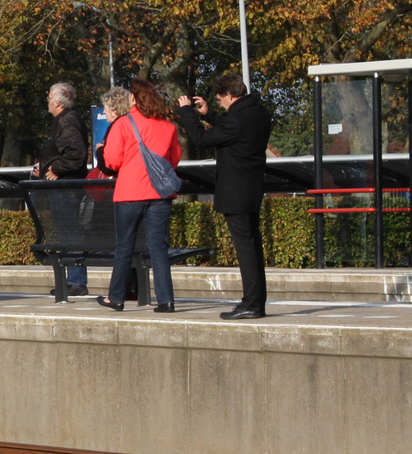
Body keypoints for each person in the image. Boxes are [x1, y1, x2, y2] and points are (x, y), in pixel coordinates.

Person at [178, 73, 274, 319]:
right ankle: (256, 301)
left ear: (229, 96)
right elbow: (231, 128)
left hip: (236, 191)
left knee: (245, 249)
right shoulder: (259, 114)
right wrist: (209, 114)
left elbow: (201, 138)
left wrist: (187, 112)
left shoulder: (237, 120)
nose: (220, 104)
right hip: (252, 188)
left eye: (220, 100)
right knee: (252, 246)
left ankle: (251, 303)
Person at [96, 78, 181, 313]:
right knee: (158, 247)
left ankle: (117, 297)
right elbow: (173, 160)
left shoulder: (124, 123)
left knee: (125, 245)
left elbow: (112, 161)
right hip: (160, 194)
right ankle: (166, 300)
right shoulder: (168, 126)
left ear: (133, 98)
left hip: (130, 193)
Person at [33, 82, 90, 295]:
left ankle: (76, 281)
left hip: (65, 188)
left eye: (49, 97)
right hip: (65, 186)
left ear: (57, 102)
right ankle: (72, 280)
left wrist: (56, 168)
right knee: (68, 233)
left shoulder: (66, 121)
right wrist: (46, 166)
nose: (47, 101)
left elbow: (76, 152)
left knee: (70, 232)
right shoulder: (66, 120)